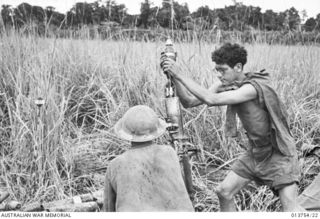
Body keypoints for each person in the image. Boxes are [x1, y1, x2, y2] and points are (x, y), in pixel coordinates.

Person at [160, 43, 304, 212]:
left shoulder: (252, 88)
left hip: (278, 153)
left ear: (238, 67)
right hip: (256, 153)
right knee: (224, 192)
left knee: (292, 209)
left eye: (223, 70)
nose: (219, 75)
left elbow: (211, 100)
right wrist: (173, 77)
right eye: (217, 70)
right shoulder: (225, 84)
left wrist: (180, 73)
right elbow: (189, 102)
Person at [103, 105, 194, 212]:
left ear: (125, 132)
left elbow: (108, 209)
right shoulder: (170, 153)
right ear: (156, 129)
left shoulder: (115, 165)